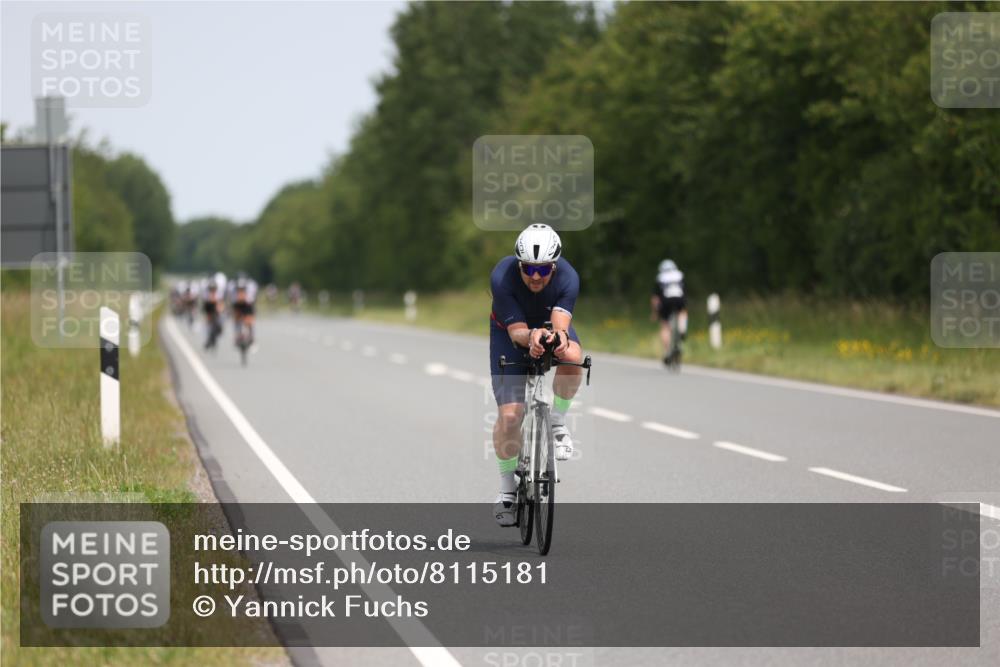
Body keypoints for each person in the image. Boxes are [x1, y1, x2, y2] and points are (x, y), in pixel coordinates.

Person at [489, 224, 585, 526]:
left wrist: (558, 338)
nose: (535, 277)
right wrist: (531, 336)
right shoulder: (502, 276)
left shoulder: (568, 277)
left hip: (546, 325)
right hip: (509, 333)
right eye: (529, 269)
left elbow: (560, 323)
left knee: (574, 357)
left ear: (553, 266)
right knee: (510, 416)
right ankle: (507, 489)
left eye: (543, 270)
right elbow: (517, 332)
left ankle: (557, 421)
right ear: (519, 264)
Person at [650, 259, 687, 365]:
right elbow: (684, 291)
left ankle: (666, 352)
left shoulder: (660, 278)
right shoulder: (680, 275)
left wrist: (655, 313)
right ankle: (682, 329)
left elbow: (655, 299)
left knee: (665, 326)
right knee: (682, 312)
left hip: (666, 301)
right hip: (679, 299)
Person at [232, 276, 258, 348]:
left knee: (249, 321)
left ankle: (252, 336)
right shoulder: (233, 291)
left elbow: (252, 303)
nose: (240, 291)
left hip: (247, 304)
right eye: (239, 289)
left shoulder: (250, 292)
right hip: (238, 305)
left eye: (242, 289)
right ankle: (237, 335)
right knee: (236, 319)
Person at [202, 281, 223, 350]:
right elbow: (205, 305)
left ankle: (217, 331)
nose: (212, 290)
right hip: (209, 307)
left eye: (214, 289)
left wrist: (220, 309)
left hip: (216, 308)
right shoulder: (206, 294)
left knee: (219, 322)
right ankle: (208, 338)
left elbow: (221, 303)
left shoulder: (219, 294)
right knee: (208, 321)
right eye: (211, 289)